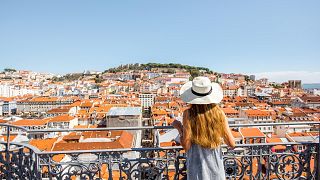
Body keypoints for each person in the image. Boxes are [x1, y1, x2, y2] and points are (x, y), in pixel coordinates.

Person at [172, 76, 235, 180]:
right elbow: (232, 144)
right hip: (217, 169)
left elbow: (186, 146)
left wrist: (179, 128)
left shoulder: (188, 113)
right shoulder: (219, 113)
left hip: (197, 169)